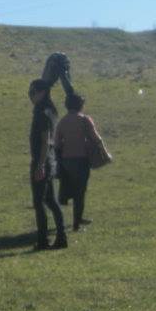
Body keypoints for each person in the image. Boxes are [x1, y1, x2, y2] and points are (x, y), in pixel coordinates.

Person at [54, 92, 105, 232]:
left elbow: (57, 144)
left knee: (71, 188)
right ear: (80, 105)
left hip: (66, 160)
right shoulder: (85, 120)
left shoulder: (62, 122)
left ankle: (75, 219)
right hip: (81, 160)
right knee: (80, 192)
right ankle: (77, 222)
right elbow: (96, 138)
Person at [28, 78, 67, 250]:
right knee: (51, 200)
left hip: (42, 161)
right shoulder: (50, 110)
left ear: (41, 93)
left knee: (39, 202)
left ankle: (43, 241)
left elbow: (45, 141)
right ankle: (61, 238)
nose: (31, 95)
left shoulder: (41, 113)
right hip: (50, 161)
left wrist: (40, 165)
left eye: (33, 91)